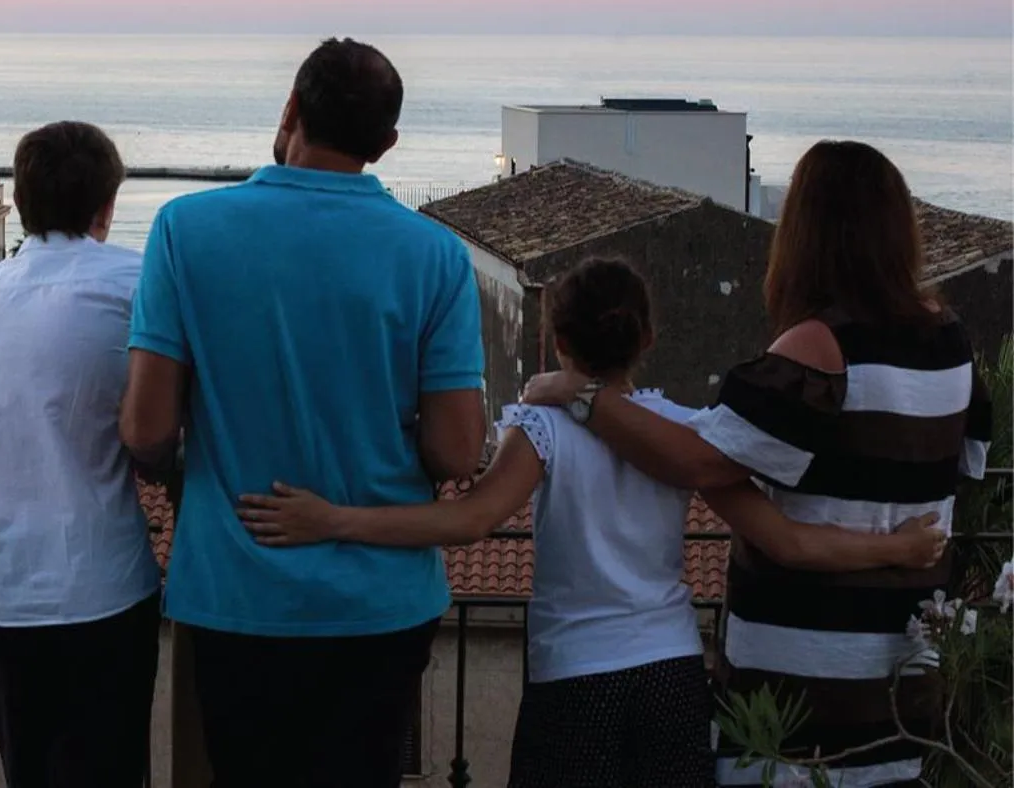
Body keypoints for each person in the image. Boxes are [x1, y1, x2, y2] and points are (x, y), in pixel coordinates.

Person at [237, 256, 948, 788]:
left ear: (554, 341)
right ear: (648, 336)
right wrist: (897, 546)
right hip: (671, 676)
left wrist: (331, 518)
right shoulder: (685, 436)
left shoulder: (542, 429)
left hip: (576, 679)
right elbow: (784, 539)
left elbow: (471, 521)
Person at [521, 141, 994, 788]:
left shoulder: (815, 349)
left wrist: (574, 395)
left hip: (802, 684)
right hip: (905, 663)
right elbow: (959, 470)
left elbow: (698, 461)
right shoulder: (951, 343)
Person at [120, 38, 488, 788]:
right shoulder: (435, 256)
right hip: (382, 603)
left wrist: (174, 471)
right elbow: (456, 453)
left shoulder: (183, 230)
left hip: (236, 592)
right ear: (385, 145)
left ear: (289, 108)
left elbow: (147, 429)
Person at [0, 120, 159, 788]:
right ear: (106, 205)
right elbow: (161, 422)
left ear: (20, 203)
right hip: (104, 581)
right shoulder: (137, 282)